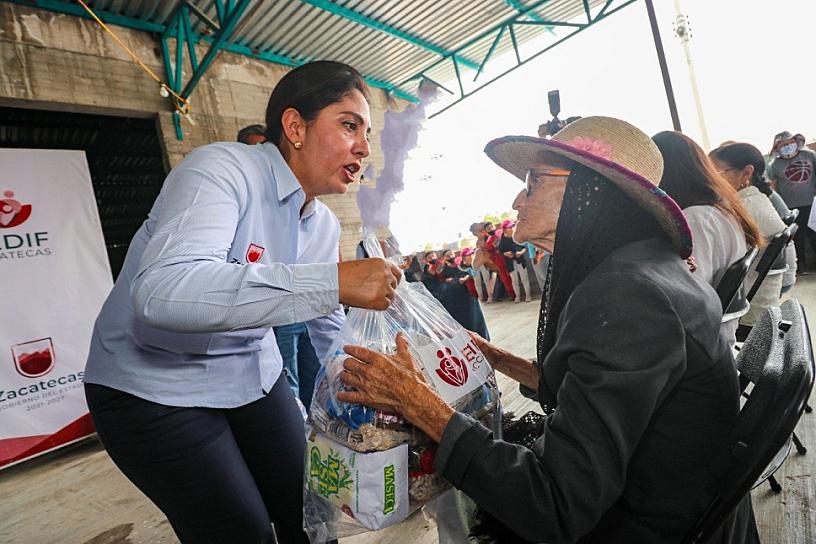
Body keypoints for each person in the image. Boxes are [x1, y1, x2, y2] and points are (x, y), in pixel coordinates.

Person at [333, 116, 758, 543]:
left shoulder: (628, 298)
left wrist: (418, 404)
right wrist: (500, 359)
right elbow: (600, 391)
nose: (517, 199)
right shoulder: (641, 270)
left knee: (457, 512)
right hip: (663, 495)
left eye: (534, 182)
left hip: (645, 524)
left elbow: (555, 504)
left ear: (588, 194)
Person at [83, 61, 402, 544]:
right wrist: (331, 282)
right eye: (349, 125)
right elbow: (163, 292)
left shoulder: (323, 225)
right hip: (152, 388)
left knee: (312, 516)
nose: (363, 146)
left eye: (367, 132)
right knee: (241, 532)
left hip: (251, 371)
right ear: (295, 127)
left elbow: (325, 321)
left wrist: (361, 379)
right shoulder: (220, 170)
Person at [237, 125, 321, 411]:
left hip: (307, 311)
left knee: (315, 372)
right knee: (288, 377)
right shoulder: (245, 207)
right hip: (279, 314)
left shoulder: (317, 215)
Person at [653, 131, 762, 349]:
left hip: (704, 347)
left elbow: (688, 302)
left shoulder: (696, 219)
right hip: (718, 335)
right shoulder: (719, 208)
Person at [710, 143, 790, 329]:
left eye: (717, 173)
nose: (711, 180)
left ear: (746, 173)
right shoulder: (757, 199)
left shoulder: (740, 210)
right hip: (765, 297)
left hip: (748, 308)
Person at [768, 131, 816, 271]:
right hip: (791, 208)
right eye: (783, 145)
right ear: (777, 148)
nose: (787, 146)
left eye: (790, 143)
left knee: (814, 234)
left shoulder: (809, 155)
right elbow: (772, 185)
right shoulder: (775, 165)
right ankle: (800, 266)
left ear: (796, 142)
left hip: (812, 204)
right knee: (797, 239)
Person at [498, 219, 532, 302]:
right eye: (509, 227)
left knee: (524, 278)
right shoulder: (502, 239)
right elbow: (500, 251)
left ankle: (528, 296)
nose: (512, 228)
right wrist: (506, 254)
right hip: (510, 263)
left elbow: (524, 247)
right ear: (505, 229)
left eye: (512, 226)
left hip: (520, 260)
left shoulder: (517, 236)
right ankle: (517, 296)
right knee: (514, 280)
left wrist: (520, 252)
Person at [470, 222, 497, 302]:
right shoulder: (478, 242)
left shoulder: (488, 238)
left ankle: (490, 296)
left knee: (488, 279)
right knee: (479, 280)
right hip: (481, 262)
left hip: (489, 261)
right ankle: (482, 297)